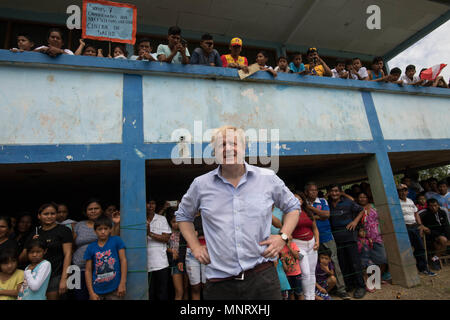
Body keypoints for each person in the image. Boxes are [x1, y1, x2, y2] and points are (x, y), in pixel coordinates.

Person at [176, 125, 300, 300]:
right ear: (214, 152)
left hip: (262, 277)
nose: (228, 149)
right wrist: (195, 247)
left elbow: (293, 207)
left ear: (244, 148)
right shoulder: (200, 185)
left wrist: (283, 237)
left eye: (234, 143)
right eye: (221, 145)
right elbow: (183, 216)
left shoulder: (268, 178)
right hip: (220, 283)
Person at [303, 182, 350, 299]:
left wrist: (311, 210)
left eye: (315, 190)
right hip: (311, 238)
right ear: (306, 192)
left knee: (334, 262)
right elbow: (311, 217)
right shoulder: (303, 204)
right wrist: (319, 216)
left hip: (327, 236)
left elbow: (327, 214)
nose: (314, 192)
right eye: (311, 190)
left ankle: (341, 289)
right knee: (313, 264)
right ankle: (314, 291)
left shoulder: (322, 201)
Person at [19, 203, 73, 300]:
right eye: (46, 214)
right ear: (39, 216)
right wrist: (30, 243)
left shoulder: (64, 230)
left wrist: (64, 279)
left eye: (52, 214)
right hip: (36, 275)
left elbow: (68, 254)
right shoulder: (35, 232)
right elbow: (22, 258)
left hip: (56, 274)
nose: (49, 216)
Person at [327, 184, 367, 299]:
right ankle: (349, 285)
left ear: (340, 192)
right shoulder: (327, 204)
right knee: (342, 264)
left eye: (336, 191)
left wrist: (355, 222)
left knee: (355, 263)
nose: (334, 193)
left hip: (349, 236)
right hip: (335, 239)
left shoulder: (348, 202)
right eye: (331, 191)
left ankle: (361, 287)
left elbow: (361, 210)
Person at [84, 215, 127, 300]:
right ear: (95, 231)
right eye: (100, 229)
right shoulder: (91, 247)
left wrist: (122, 283)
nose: (103, 232)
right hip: (97, 290)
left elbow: (123, 261)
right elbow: (88, 271)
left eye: (106, 229)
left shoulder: (116, 240)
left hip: (115, 288)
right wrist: (91, 292)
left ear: (110, 229)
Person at [397, 184, 436, 276]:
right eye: (400, 190)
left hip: (414, 226)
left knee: (420, 248)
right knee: (405, 250)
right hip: (404, 228)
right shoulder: (396, 202)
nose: (403, 192)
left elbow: (416, 214)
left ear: (407, 191)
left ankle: (423, 269)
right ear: (397, 192)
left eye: (404, 190)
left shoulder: (410, 201)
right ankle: (408, 272)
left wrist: (420, 225)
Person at [71, 199, 104, 300]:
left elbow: (114, 241)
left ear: (101, 210)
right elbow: (72, 246)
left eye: (96, 208)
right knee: (79, 296)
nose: (93, 211)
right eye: (90, 209)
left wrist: (116, 224)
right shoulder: (79, 225)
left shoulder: (107, 224)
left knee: (98, 296)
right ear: (86, 212)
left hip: (100, 269)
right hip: (77, 269)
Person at [291, 192, 319, 300]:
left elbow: (315, 228)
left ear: (302, 201)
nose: (297, 201)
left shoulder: (308, 212)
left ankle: (311, 297)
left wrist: (317, 241)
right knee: (305, 273)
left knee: (312, 272)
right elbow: (287, 233)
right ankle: (307, 297)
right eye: (294, 199)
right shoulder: (289, 213)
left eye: (299, 199)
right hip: (298, 245)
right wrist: (292, 248)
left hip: (311, 244)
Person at [356, 192, 390, 281]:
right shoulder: (357, 209)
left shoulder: (374, 206)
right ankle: (374, 279)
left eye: (364, 197)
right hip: (365, 238)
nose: (362, 199)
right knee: (369, 260)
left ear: (368, 198)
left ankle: (380, 276)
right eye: (360, 197)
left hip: (378, 236)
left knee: (383, 257)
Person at [147, 198, 172, 300]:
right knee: (149, 294)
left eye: (153, 203)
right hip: (144, 264)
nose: (150, 206)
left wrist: (150, 233)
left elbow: (166, 238)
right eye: (148, 203)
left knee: (162, 293)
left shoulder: (161, 219)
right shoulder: (137, 219)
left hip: (161, 263)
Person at [166, 208, 188, 300]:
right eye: (173, 222)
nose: (176, 224)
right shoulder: (168, 233)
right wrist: (172, 251)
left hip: (187, 261)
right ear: (170, 222)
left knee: (187, 289)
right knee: (179, 291)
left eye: (177, 221)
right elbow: (163, 246)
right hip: (175, 262)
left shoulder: (186, 232)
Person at [280, 236, 303, 300]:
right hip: (288, 275)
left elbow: (297, 256)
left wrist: (289, 246)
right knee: (291, 293)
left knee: (299, 292)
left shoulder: (293, 245)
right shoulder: (281, 248)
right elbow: (281, 261)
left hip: (297, 274)